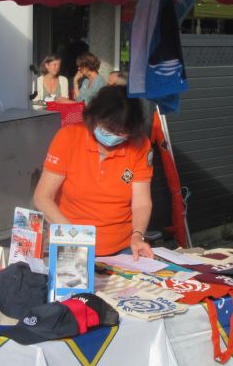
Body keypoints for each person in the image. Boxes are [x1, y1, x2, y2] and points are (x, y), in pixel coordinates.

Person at [33, 85, 154, 259]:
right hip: (71, 245)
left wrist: (137, 235)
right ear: (94, 117)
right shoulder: (69, 137)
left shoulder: (140, 145)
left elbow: (141, 202)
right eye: (108, 128)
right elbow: (42, 197)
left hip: (122, 250)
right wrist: (74, 236)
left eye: (121, 132)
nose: (113, 136)